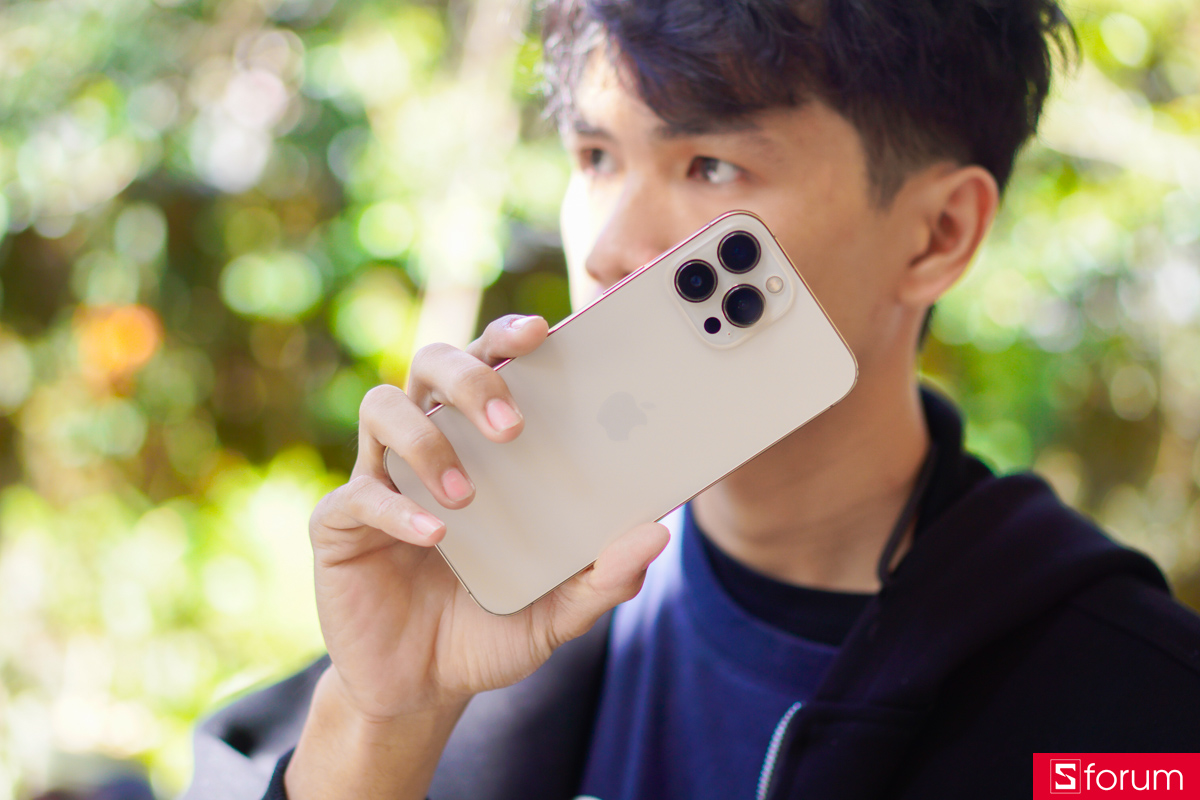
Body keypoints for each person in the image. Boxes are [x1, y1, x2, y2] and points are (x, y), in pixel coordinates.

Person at [185, 1, 1200, 798]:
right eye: (595, 156)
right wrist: (383, 719)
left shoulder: (1138, 721)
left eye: (711, 165)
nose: (606, 245)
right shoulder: (492, 609)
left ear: (937, 235)